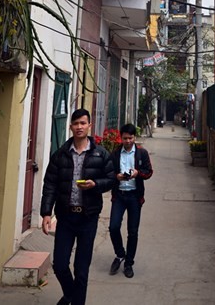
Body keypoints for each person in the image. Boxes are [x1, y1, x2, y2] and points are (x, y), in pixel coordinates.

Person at [40, 108, 114, 305]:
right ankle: (70, 295)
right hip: (65, 217)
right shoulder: (60, 155)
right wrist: (46, 213)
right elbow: (50, 184)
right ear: (70, 127)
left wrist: (95, 184)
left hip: (88, 218)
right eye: (76, 123)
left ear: (89, 125)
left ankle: (74, 300)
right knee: (60, 265)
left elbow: (111, 179)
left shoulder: (100, 154)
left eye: (83, 123)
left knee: (81, 270)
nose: (79, 127)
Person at [108, 123, 153, 279]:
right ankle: (120, 253)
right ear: (121, 138)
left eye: (130, 138)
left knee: (132, 232)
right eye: (125, 138)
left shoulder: (142, 153)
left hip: (135, 196)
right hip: (119, 195)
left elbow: (149, 172)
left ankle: (128, 263)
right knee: (113, 227)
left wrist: (137, 173)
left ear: (135, 137)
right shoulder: (115, 154)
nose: (128, 141)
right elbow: (109, 173)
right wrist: (117, 176)